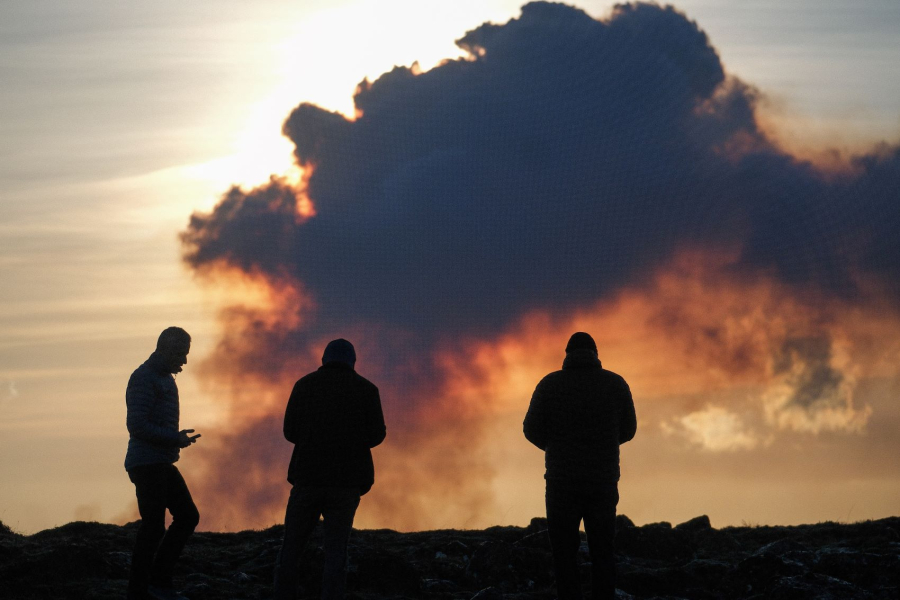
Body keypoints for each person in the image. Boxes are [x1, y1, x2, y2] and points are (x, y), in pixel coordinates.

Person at [523, 332, 637, 600]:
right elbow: (629, 429)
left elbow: (530, 429)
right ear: (595, 354)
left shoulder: (549, 384)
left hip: (561, 482)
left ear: (567, 354)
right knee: (602, 550)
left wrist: (554, 449)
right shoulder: (615, 384)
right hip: (602, 481)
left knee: (563, 552)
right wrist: (605, 447)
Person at [274, 338, 386, 600]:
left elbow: (290, 431)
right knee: (336, 552)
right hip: (346, 483)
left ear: (324, 359)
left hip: (307, 478)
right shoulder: (367, 389)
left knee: (291, 547)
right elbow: (377, 435)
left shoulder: (304, 385)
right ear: (353, 362)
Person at [125, 327, 201, 600]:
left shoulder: (164, 378)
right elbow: (136, 425)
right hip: (147, 464)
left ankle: (156, 584)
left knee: (186, 517)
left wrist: (175, 440)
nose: (185, 360)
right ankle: (142, 590)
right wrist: (173, 438)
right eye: (180, 354)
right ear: (166, 350)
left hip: (159, 462)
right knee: (154, 526)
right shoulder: (144, 377)